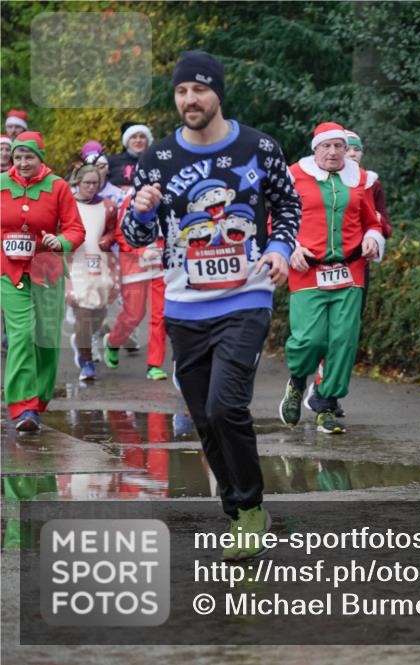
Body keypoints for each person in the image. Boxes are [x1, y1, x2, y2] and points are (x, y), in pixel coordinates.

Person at [120, 51, 300, 560]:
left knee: (226, 405)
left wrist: (280, 249)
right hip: (183, 303)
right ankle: (241, 509)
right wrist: (140, 210)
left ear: (217, 93)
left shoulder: (258, 147)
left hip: (246, 296)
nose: (189, 100)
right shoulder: (155, 159)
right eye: (181, 92)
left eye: (198, 90)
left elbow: (287, 204)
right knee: (204, 418)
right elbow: (135, 236)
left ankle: (247, 511)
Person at [278, 122, 383, 434]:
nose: (334, 152)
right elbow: (276, 219)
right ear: (315, 149)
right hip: (308, 268)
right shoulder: (293, 176)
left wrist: (373, 238)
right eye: (327, 146)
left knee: (343, 339)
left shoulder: (360, 180)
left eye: (339, 146)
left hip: (350, 270)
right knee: (310, 338)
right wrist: (290, 248)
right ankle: (297, 382)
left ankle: (325, 404)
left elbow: (371, 221)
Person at [1, 131, 85, 431]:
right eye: (18, 157)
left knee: (47, 339)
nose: (23, 163)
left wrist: (59, 240)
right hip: (10, 273)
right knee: (21, 335)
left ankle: (39, 400)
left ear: (41, 158)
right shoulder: (1, 185)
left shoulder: (58, 186)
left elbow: (76, 230)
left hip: (47, 270)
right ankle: (23, 408)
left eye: (29, 157)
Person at [105, 189, 169, 381]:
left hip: (160, 265)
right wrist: (141, 251)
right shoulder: (133, 197)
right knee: (134, 314)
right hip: (135, 266)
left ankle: (154, 365)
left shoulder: (171, 192)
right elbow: (121, 233)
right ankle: (113, 342)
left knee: (160, 315)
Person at [66, 164, 117, 381]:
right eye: (87, 183)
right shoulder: (67, 205)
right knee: (83, 315)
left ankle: (82, 340)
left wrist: (107, 239)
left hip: (100, 265)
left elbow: (113, 231)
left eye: (95, 183)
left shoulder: (108, 207)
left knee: (99, 315)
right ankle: (86, 362)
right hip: (75, 266)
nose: (91, 187)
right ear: (77, 182)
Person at [80, 142, 128, 208]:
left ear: (106, 169)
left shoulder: (118, 196)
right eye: (91, 167)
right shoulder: (72, 193)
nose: (95, 172)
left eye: (100, 166)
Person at [108, 121, 153, 187]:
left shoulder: (155, 161)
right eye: (134, 137)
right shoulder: (112, 161)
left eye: (142, 137)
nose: (138, 140)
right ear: (127, 141)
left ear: (147, 141)